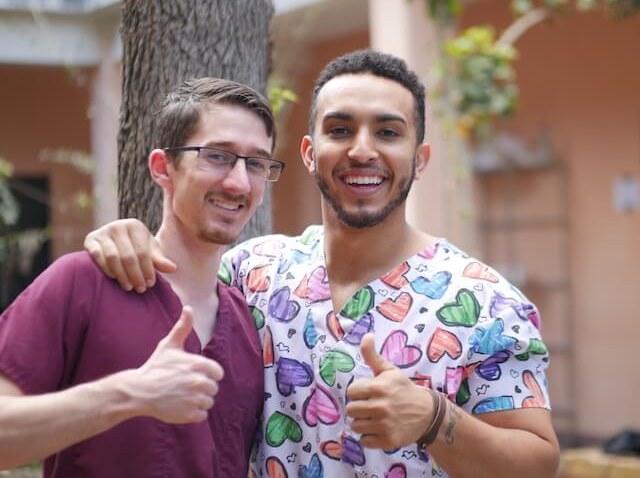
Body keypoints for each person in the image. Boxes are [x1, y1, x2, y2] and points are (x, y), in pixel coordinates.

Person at [84, 50, 560, 478]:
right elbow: (177, 275)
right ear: (310, 155)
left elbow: (537, 462)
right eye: (340, 129)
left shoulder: (485, 301)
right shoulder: (252, 274)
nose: (362, 149)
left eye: (388, 132)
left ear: (419, 159)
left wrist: (434, 418)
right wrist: (126, 237)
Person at [0, 77, 284, 477]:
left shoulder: (246, 322)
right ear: (162, 168)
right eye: (217, 156)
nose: (239, 182)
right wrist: (129, 393)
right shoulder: (83, 283)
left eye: (256, 163)